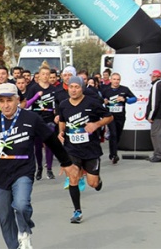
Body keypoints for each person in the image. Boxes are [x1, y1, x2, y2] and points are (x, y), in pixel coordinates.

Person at [0, 83, 78, 249]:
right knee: (4, 216)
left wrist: (67, 163)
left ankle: (24, 231)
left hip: (23, 171)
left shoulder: (31, 118)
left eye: (9, 100)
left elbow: (51, 140)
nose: (6, 105)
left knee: (21, 205)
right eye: (1, 101)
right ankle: (14, 246)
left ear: (17, 100)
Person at [57, 76, 113, 224]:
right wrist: (61, 132)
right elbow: (62, 121)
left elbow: (109, 117)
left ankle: (97, 179)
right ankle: (77, 211)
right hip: (71, 148)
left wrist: (96, 124)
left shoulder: (92, 103)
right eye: (71, 87)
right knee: (73, 178)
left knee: (93, 184)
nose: (73, 90)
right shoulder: (63, 105)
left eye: (77, 87)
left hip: (91, 149)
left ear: (82, 88)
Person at [25, 64, 57, 180]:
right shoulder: (33, 88)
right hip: (37, 119)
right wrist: (36, 97)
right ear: (38, 76)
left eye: (47, 74)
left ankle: (49, 168)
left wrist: (56, 113)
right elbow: (27, 104)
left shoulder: (53, 89)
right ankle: (39, 168)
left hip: (49, 120)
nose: (45, 76)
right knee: (37, 147)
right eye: (43, 74)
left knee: (49, 145)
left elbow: (58, 104)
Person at [101, 73, 137, 164]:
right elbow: (98, 99)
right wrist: (103, 101)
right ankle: (114, 155)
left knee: (118, 135)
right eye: (114, 79)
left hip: (120, 116)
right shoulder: (105, 89)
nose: (116, 81)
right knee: (113, 134)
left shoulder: (124, 89)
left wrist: (125, 100)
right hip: (110, 116)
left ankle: (112, 153)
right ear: (111, 80)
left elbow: (134, 99)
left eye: (118, 79)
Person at [145, 69, 161, 163]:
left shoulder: (156, 86)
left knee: (155, 135)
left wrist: (150, 116)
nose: (151, 77)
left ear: (155, 76)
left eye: (152, 76)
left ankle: (158, 155)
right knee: (159, 135)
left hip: (157, 115)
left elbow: (154, 103)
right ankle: (159, 154)